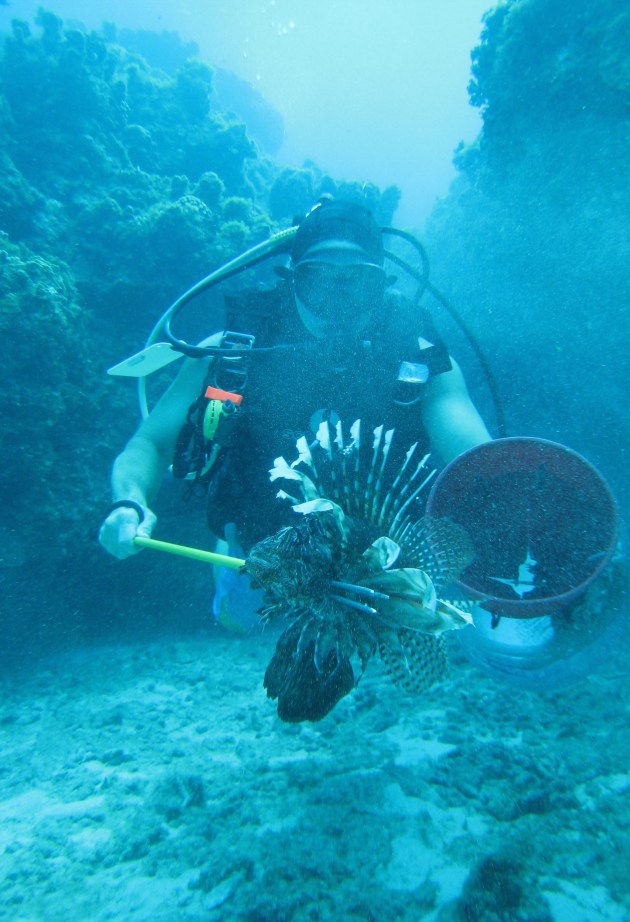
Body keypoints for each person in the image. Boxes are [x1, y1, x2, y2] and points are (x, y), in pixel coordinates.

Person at [99, 198, 491, 629]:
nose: (337, 307)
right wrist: (129, 502)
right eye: (317, 283)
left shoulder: (423, 363)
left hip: (385, 567)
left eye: (355, 285)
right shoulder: (230, 352)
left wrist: (522, 514)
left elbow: (481, 462)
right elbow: (150, 444)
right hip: (257, 554)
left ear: (382, 288)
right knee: (244, 620)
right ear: (290, 280)